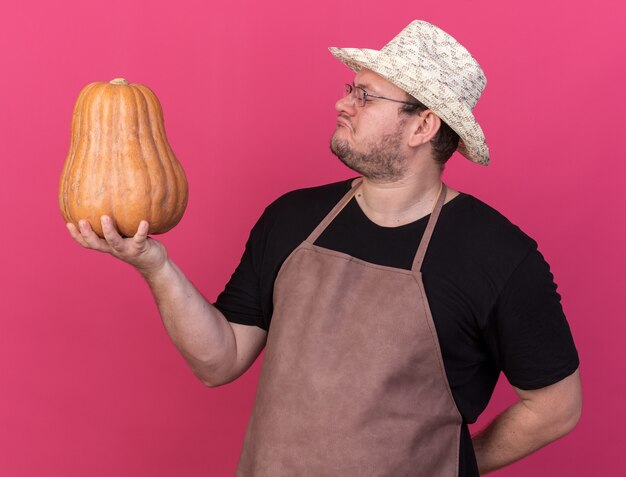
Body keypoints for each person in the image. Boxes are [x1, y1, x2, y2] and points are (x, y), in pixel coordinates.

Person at [67, 20, 581, 476]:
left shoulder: (500, 256)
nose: (342, 103)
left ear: (423, 126)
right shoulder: (292, 218)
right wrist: (155, 266)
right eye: (350, 89)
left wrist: (451, 466)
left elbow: (556, 407)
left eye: (365, 96)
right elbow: (218, 362)